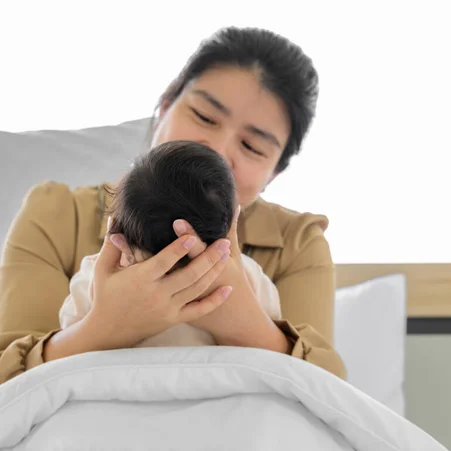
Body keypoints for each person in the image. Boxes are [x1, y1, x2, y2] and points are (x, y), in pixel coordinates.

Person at [0, 26, 346, 384]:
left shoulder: (297, 242)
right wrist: (104, 327)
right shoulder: (56, 214)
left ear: (273, 173)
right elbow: (6, 383)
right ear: (165, 106)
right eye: (205, 117)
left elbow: (333, 391)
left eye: (252, 147)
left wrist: (243, 321)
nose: (218, 149)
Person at [59, 140, 282, 348]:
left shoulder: (96, 280)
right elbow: (274, 332)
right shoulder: (247, 279)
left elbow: (68, 336)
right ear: (232, 223)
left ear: (119, 238)